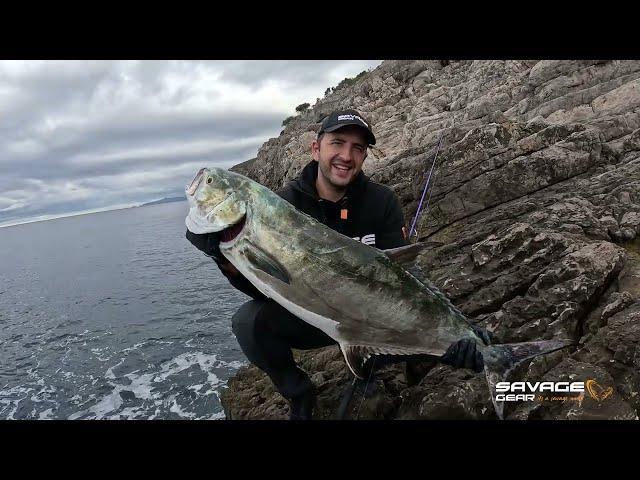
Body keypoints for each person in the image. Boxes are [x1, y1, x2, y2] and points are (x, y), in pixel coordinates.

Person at [186, 108, 489, 420]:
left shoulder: (381, 201)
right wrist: (221, 256)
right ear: (316, 149)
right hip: (314, 314)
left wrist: (461, 329)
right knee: (248, 322)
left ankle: (382, 360)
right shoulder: (284, 204)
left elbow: (407, 277)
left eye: (357, 148)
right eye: (338, 143)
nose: (347, 155)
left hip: (374, 319)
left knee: (444, 347)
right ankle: (300, 395)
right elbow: (265, 286)